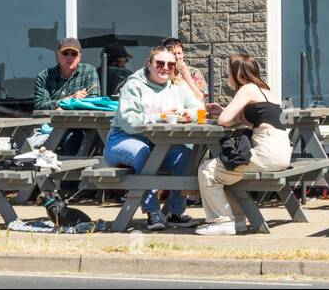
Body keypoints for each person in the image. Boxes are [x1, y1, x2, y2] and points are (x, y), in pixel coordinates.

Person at [104, 45, 203, 230]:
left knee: (184, 154)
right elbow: (129, 122)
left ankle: (175, 212)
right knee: (145, 154)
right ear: (149, 64)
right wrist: (161, 117)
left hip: (161, 142)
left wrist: (190, 114)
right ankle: (153, 212)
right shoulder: (133, 85)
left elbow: (199, 108)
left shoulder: (178, 85)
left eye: (171, 64)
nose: (165, 68)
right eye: (160, 63)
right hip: (123, 139)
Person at [196, 54, 292, 236]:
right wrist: (225, 113)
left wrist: (223, 115)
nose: (228, 77)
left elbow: (224, 121)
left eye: (228, 73)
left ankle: (221, 221)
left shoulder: (247, 89)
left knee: (207, 170)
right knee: (227, 171)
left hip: (267, 150)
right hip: (280, 148)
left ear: (236, 72)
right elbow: (257, 121)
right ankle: (237, 221)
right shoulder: (266, 90)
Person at [33, 37, 98, 110]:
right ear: (58, 55)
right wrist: (71, 99)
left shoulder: (89, 71)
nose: (69, 57)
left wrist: (61, 106)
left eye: (74, 54)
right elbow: (40, 106)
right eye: (65, 53)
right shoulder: (44, 76)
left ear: (79, 57)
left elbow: (93, 103)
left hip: (82, 121)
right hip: (51, 121)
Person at [163, 36, 207, 102]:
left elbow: (200, 98)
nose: (177, 57)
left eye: (179, 53)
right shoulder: (163, 73)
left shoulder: (194, 72)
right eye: (173, 54)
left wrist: (186, 76)